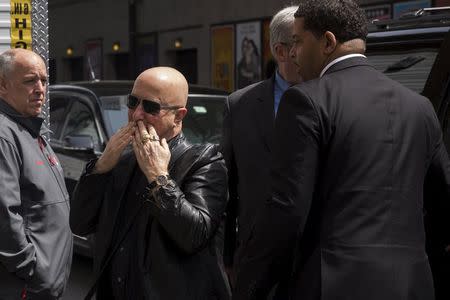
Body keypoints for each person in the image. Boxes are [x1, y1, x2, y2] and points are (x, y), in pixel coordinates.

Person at [233, 1, 450, 299]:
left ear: (327, 42)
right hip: (412, 284)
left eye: (297, 41)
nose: (292, 53)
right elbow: (443, 206)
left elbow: (287, 212)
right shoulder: (420, 107)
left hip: (332, 284)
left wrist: (251, 286)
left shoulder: (306, 101)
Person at [70, 67, 231, 299]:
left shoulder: (205, 162)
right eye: (133, 102)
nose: (136, 114)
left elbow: (194, 235)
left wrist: (159, 178)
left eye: (151, 107)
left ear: (179, 116)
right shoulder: (120, 162)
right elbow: (79, 224)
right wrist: (100, 168)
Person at [221, 5, 302, 296]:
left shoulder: (332, 97)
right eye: (303, 42)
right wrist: (228, 255)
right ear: (282, 52)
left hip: (317, 260)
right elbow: (227, 189)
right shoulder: (240, 104)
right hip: (254, 262)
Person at [0, 49, 73, 299]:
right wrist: (31, 270)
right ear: (2, 85)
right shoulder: (4, 136)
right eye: (30, 80)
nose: (41, 89)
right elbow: (4, 215)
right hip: (25, 286)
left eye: (44, 80)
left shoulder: (28, 129)